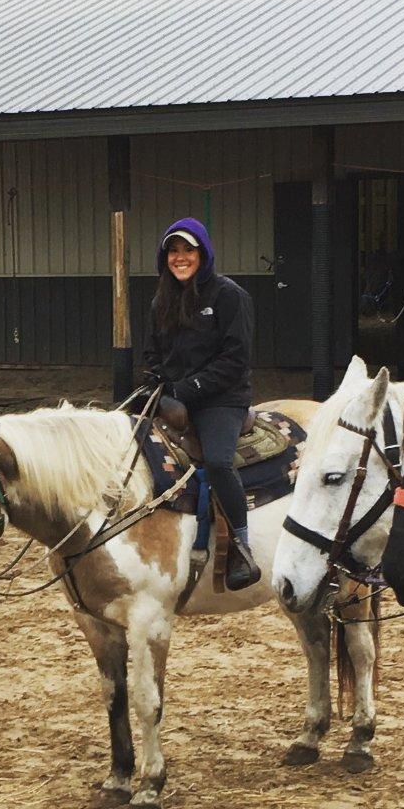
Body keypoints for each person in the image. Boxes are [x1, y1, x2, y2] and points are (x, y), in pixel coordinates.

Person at [143, 217, 260, 591]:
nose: (180, 258)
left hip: (221, 399)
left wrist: (186, 390)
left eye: (188, 250)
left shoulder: (230, 296)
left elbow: (235, 360)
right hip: (175, 394)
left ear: (203, 253)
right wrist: (157, 385)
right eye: (173, 251)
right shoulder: (161, 299)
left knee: (218, 462)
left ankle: (242, 544)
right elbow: (153, 354)